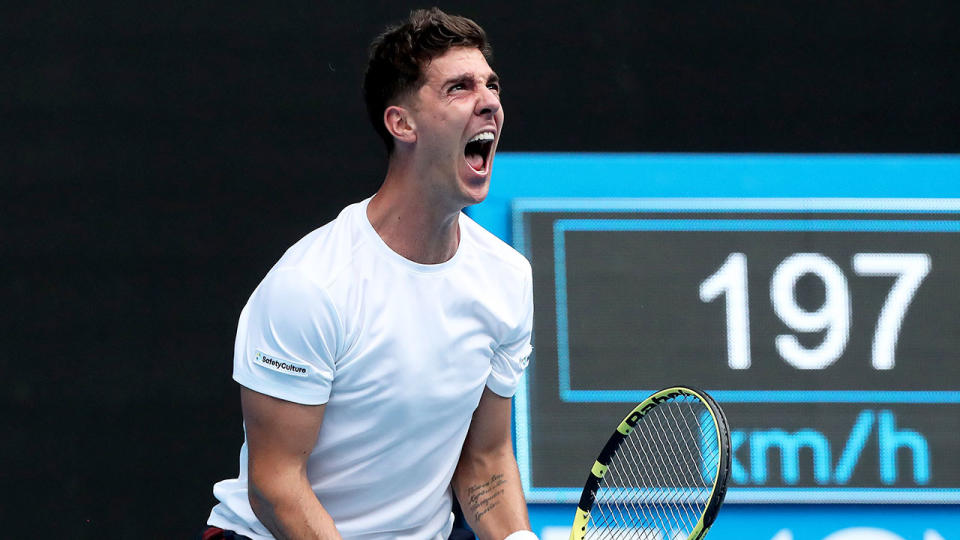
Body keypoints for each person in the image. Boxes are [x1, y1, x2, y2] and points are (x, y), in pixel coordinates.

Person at [202, 8, 537, 540]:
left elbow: (486, 458)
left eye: (491, 85)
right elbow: (276, 483)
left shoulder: (508, 279)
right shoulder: (312, 286)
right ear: (401, 123)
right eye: (459, 88)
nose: (490, 101)